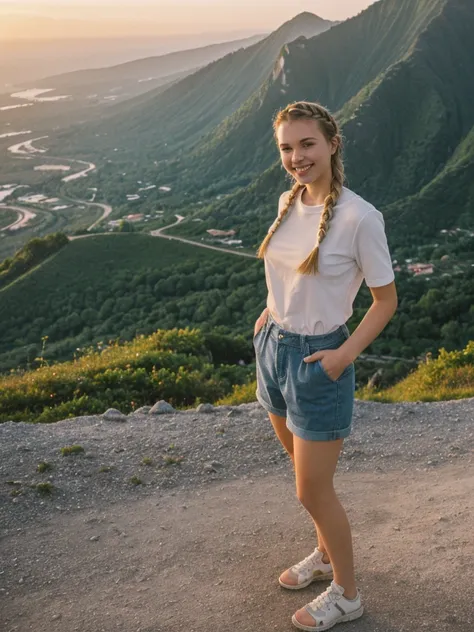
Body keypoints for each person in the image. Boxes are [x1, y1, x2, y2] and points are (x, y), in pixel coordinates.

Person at [252, 101, 398, 631]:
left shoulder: (361, 218)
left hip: (319, 360)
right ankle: (325, 555)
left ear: (333, 143)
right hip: (274, 349)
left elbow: (386, 301)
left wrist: (343, 355)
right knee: (303, 475)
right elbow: (288, 272)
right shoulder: (288, 201)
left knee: (311, 488)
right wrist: (270, 313)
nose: (296, 157)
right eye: (287, 148)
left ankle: (347, 594)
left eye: (307, 144)